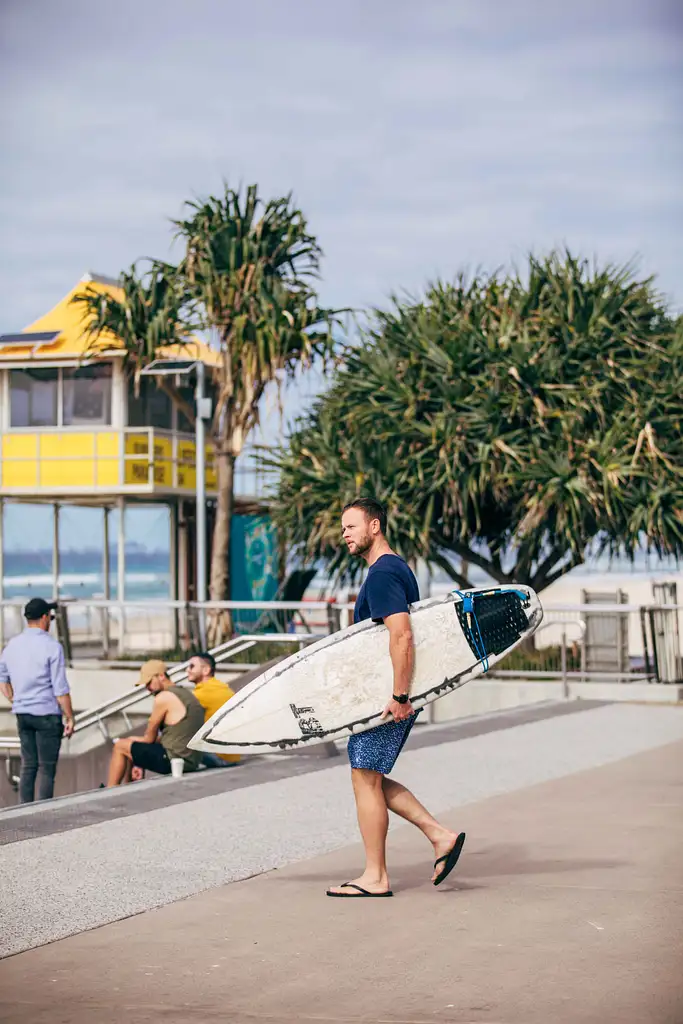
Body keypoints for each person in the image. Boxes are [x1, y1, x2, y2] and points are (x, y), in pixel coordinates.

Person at [326, 498, 466, 899]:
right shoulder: (394, 567)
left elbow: (401, 634)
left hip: (391, 695)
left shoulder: (384, 572)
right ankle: (440, 836)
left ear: (374, 526)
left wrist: (400, 695)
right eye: (343, 529)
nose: (345, 534)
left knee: (364, 777)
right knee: (368, 777)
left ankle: (376, 877)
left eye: (351, 526)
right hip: (389, 692)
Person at [0, 597, 74, 804]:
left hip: (23, 713)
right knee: (47, 768)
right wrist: (70, 717)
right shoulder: (52, 646)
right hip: (47, 713)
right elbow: (60, 689)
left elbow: (2, 678)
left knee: (28, 765)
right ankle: (42, 812)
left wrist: (15, 698)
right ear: (44, 618)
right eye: (49, 616)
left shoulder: (12, 645)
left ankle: (24, 810)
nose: (50, 620)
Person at [106, 659, 205, 786]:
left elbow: (149, 739)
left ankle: (110, 789)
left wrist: (130, 740)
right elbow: (177, 735)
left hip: (174, 761)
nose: (148, 688)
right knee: (129, 745)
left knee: (120, 746)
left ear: (162, 676)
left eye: (149, 682)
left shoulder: (162, 697)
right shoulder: (186, 694)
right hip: (192, 760)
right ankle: (127, 787)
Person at [186, 651, 240, 767]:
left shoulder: (201, 694)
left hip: (219, 756)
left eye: (192, 666)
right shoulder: (225, 688)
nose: (187, 670)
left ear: (206, 670)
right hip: (234, 755)